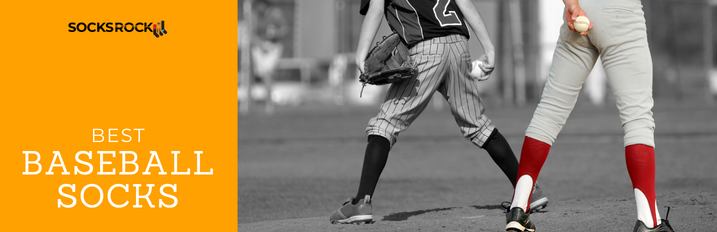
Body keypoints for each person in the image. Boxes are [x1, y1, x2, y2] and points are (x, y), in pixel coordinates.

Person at [329, 0, 548, 224]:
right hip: (459, 45)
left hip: (427, 49)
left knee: (384, 125)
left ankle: (361, 203)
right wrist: (489, 48)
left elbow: (376, 7)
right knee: (478, 124)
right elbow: (466, 5)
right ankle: (528, 191)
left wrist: (360, 54)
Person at [504, 0, 674, 231]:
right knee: (637, 118)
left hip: (579, 11)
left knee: (549, 110)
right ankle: (649, 220)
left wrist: (572, 5)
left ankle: (518, 209)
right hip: (620, 12)